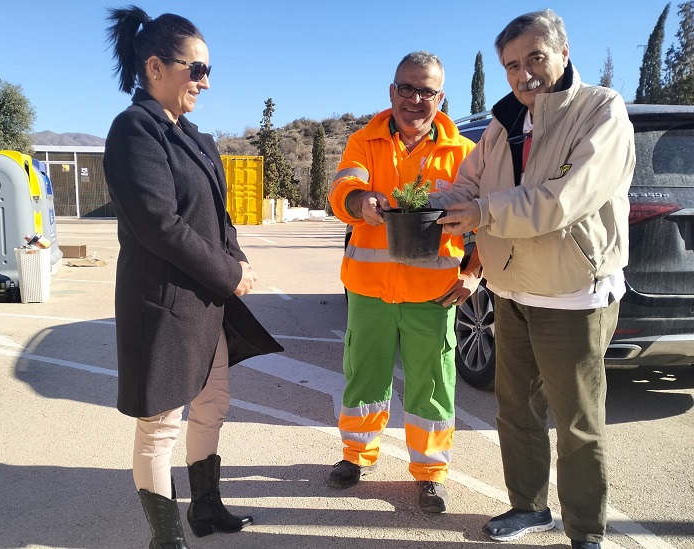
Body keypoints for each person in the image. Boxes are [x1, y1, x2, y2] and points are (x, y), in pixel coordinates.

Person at [431, 9, 634, 549]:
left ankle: (586, 531)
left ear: (563, 54)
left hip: (572, 292)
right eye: (511, 65)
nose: (524, 74)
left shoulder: (600, 111)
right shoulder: (502, 126)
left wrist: (483, 214)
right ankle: (528, 507)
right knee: (516, 409)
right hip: (509, 289)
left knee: (576, 421)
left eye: (535, 58)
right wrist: (424, 208)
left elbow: (564, 199)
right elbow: (466, 185)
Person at [103, 7, 282, 548]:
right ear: (155, 66)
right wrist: (229, 274)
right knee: (158, 427)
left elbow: (217, 218)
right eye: (195, 69)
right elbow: (161, 225)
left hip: (207, 305)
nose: (205, 81)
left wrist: (238, 259)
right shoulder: (134, 130)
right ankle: (166, 538)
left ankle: (206, 508)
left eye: (209, 70)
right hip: (162, 306)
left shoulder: (197, 138)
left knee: (211, 406)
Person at [326, 51, 481, 513]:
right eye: (406, 88)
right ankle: (356, 455)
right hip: (369, 288)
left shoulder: (464, 154)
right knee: (363, 376)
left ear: (441, 97)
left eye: (426, 91)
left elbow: (489, 224)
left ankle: (431, 472)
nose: (415, 99)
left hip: (433, 296)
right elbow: (341, 193)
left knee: (432, 384)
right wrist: (360, 202)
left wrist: (473, 275)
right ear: (392, 91)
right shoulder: (364, 142)